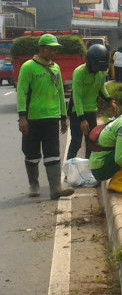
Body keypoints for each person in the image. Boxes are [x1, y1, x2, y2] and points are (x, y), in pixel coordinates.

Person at [17, 34, 74, 199]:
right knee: (31, 153)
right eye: (50, 48)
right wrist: (22, 117)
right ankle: (34, 185)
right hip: (32, 118)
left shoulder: (55, 68)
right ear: (41, 49)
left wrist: (63, 117)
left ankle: (56, 188)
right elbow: (21, 93)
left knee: (53, 153)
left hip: (51, 118)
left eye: (55, 49)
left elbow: (60, 93)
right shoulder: (28, 67)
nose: (53, 52)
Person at [66, 44, 120, 160]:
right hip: (77, 112)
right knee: (76, 142)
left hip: (91, 112)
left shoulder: (99, 73)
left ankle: (88, 168)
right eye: (96, 68)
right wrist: (82, 119)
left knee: (91, 142)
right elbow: (77, 97)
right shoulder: (79, 73)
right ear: (90, 62)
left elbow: (101, 88)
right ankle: (69, 169)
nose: (97, 71)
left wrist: (111, 101)